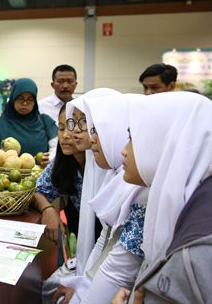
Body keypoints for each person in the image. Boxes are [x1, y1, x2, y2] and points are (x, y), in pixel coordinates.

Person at [112, 92, 212, 303]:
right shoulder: (193, 199)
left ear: (167, 142)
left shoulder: (202, 244)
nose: (123, 150)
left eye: (132, 139)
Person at [52, 94, 147, 304]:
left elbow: (119, 269)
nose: (77, 131)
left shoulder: (138, 190)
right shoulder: (114, 174)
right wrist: (82, 285)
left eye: (90, 125)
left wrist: (80, 295)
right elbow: (105, 240)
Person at [34, 104, 85, 243]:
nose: (65, 136)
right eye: (61, 128)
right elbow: (37, 190)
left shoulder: (105, 166)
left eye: (72, 128)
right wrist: (47, 208)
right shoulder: (63, 161)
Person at [0, 78, 58, 169]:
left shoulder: (45, 121)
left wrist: (50, 159)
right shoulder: (0, 124)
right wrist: (5, 161)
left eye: (30, 99)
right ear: (13, 99)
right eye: (20, 99)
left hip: (40, 177)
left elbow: (57, 148)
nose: (25, 103)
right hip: (8, 178)